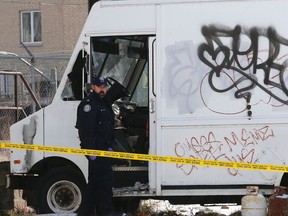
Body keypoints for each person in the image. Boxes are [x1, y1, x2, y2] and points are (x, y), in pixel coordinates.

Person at [76, 76, 115, 216]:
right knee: (105, 181)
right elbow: (86, 130)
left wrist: (109, 145)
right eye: (99, 87)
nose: (102, 89)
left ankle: (86, 212)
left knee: (95, 183)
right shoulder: (89, 104)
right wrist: (90, 151)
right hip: (96, 149)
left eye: (104, 87)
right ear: (93, 87)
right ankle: (106, 211)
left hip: (104, 148)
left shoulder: (104, 102)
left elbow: (108, 126)